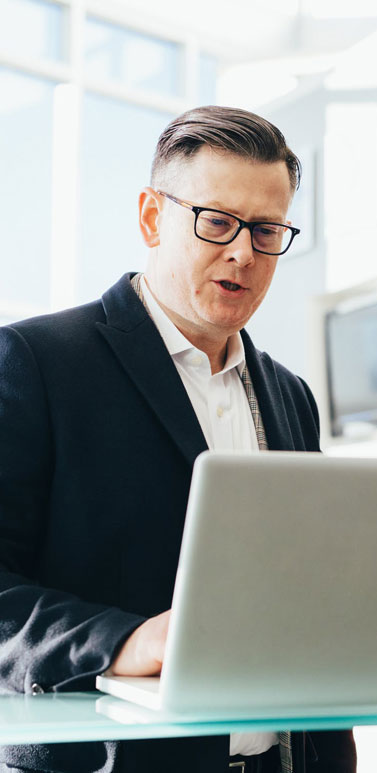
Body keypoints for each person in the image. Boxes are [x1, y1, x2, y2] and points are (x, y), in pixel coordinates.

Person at [0, 106, 356, 773]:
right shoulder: (36, 361)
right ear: (150, 217)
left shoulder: (290, 395)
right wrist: (124, 640)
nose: (243, 253)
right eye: (216, 221)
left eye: (267, 229)